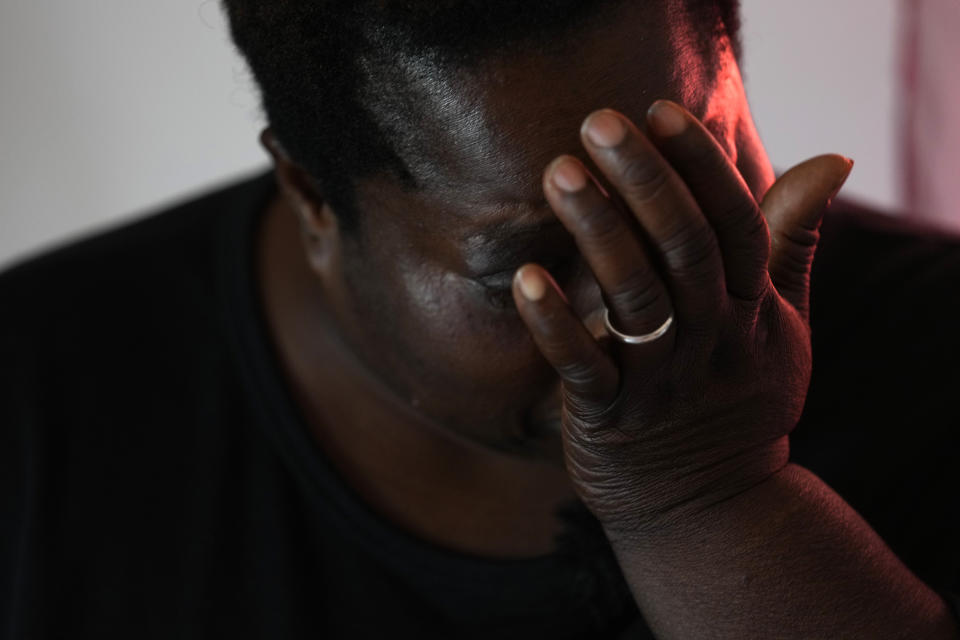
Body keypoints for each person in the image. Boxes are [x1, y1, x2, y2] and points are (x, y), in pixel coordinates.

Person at [1, 0, 958, 637]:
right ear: (311, 197)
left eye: (689, 191)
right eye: (534, 267)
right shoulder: (37, 414)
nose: (651, 309)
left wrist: (711, 496)